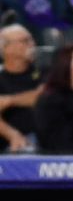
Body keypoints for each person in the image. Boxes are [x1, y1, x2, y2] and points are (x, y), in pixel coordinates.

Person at [0, 24, 41, 152]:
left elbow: (44, 96)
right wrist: (13, 135)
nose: (32, 44)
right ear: (6, 48)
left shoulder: (44, 70)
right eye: (25, 41)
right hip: (9, 141)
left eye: (32, 39)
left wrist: (9, 100)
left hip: (42, 137)